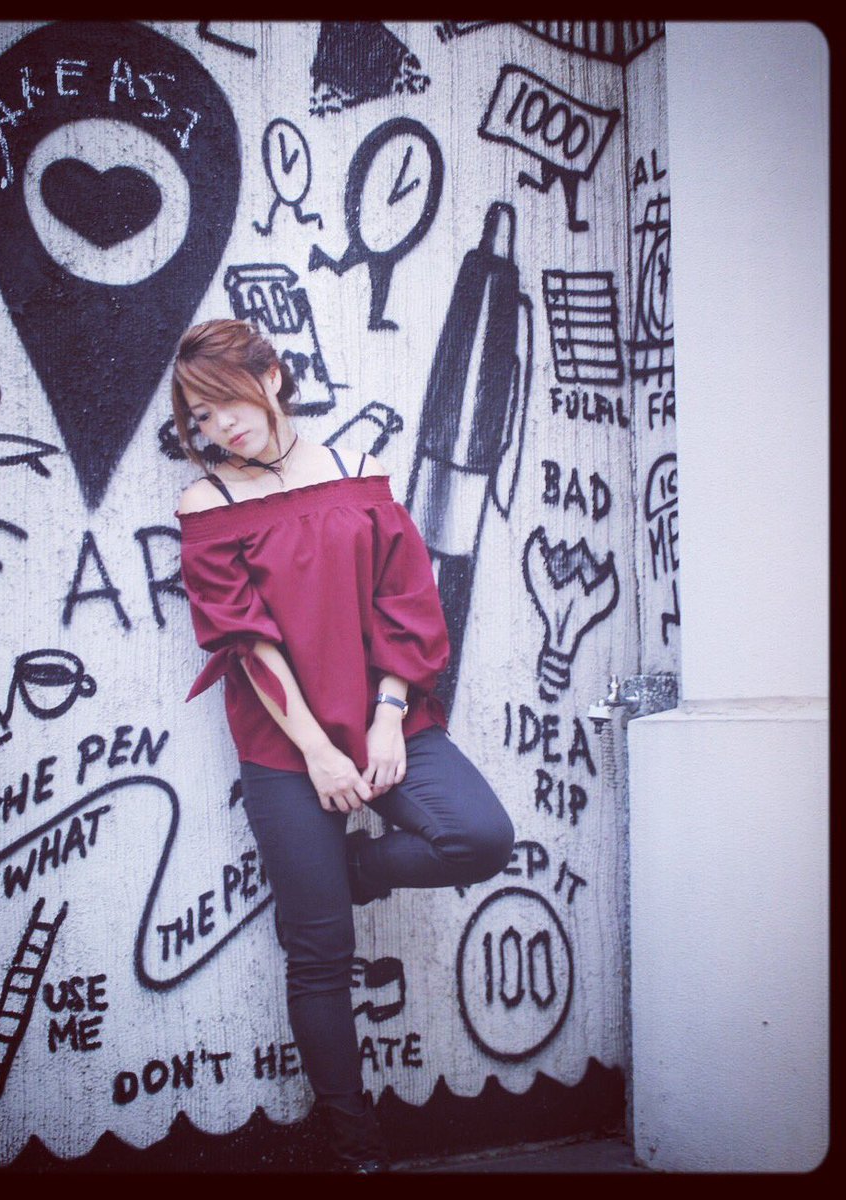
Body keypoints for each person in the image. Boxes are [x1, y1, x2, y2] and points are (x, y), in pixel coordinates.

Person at [173, 319, 515, 1172]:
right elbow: (245, 643)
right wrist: (318, 754)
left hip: (385, 718)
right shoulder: (207, 504)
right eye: (200, 416)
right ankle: (355, 1144)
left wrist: (389, 715)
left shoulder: (358, 471)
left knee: (479, 837)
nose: (218, 427)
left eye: (225, 402)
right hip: (285, 744)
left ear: (271, 377)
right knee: (320, 954)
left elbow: (408, 601)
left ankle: (350, 872)